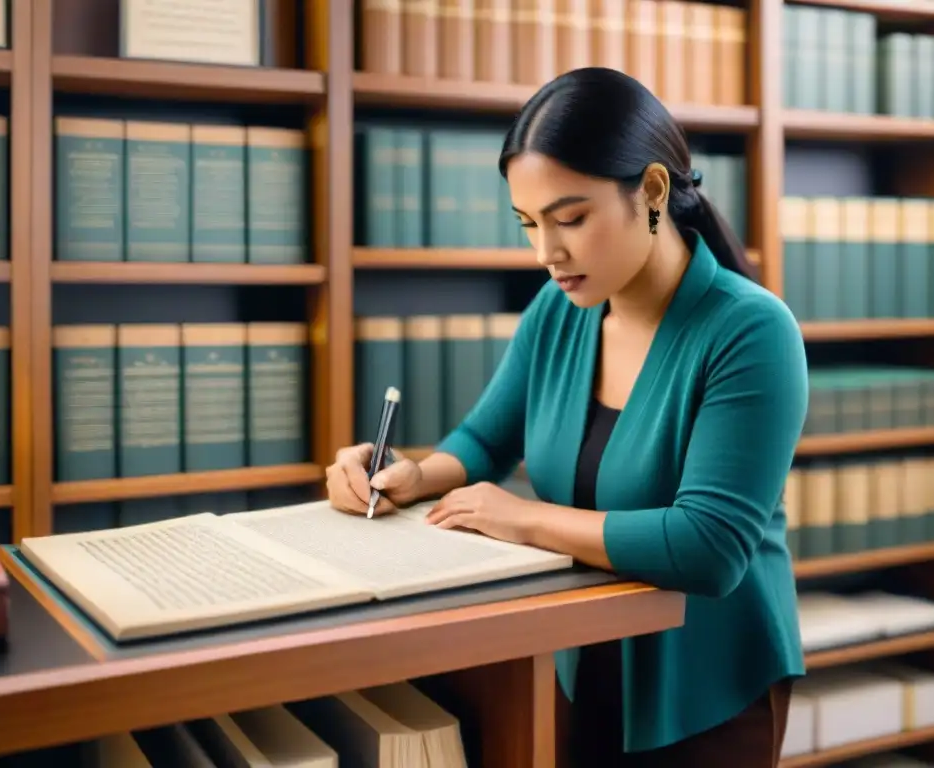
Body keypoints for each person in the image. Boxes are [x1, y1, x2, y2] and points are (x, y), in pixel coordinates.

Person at [327, 66, 808, 767]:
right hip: (578, 660)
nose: (546, 253)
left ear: (651, 191)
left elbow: (709, 547)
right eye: (528, 224)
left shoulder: (751, 332)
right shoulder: (561, 310)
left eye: (570, 218)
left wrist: (522, 520)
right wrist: (410, 473)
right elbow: (487, 439)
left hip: (707, 691)